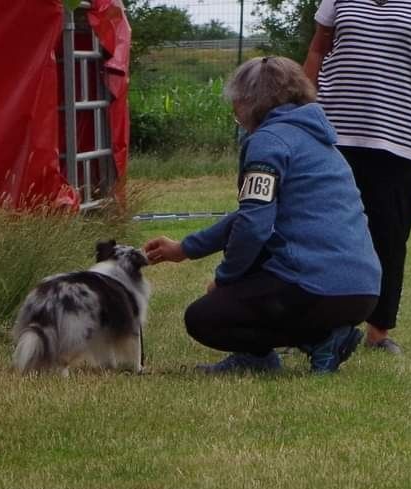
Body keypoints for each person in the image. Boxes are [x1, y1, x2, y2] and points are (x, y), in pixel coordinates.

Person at [144, 56, 381, 374]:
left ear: (252, 101)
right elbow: (252, 214)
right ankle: (323, 337)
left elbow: (253, 225)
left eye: (237, 100)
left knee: (203, 317)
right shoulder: (320, 140)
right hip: (362, 292)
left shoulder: (267, 142)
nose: (234, 110)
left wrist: (225, 280)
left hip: (316, 290)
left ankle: (291, 348)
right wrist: (185, 249)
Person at [303, 0, 411, 354]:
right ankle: (322, 326)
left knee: (390, 236)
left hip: (401, 137)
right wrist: (301, 109)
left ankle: (378, 332)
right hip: (335, 134)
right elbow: (317, 48)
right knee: (324, 232)